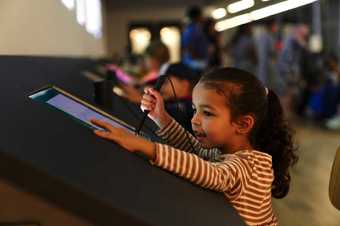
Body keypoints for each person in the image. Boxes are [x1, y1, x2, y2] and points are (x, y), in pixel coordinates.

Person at [91, 67, 298, 226]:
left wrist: (145, 146)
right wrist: (161, 118)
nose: (194, 120)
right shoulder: (223, 150)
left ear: (243, 124)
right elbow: (195, 152)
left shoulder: (250, 166)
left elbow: (211, 173)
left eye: (207, 113)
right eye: (194, 109)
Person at [182, 6, 209, 74]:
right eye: (201, 15)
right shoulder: (192, 30)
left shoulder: (196, 29)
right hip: (195, 63)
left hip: (196, 62)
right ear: (197, 16)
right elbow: (189, 46)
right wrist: (198, 58)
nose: (202, 17)